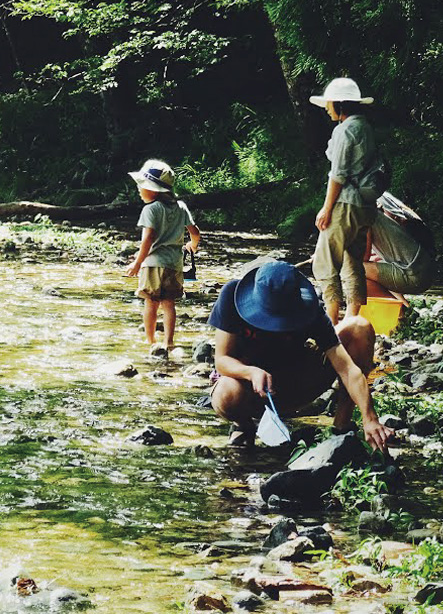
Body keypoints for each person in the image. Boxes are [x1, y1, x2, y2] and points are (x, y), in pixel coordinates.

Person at [207, 259, 393, 451]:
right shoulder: (232, 296)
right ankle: (244, 426)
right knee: (227, 392)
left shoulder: (309, 309)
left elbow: (346, 369)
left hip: (296, 383)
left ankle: (342, 426)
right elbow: (221, 360)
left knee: (358, 327)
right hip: (252, 390)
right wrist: (250, 372)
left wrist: (369, 418)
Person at [310, 77, 383, 324]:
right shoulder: (366, 128)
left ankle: (330, 321)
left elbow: (338, 174)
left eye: (330, 103)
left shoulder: (345, 130)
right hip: (365, 206)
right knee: (353, 262)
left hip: (345, 204)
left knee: (325, 261)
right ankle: (352, 320)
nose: (327, 107)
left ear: (340, 105)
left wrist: (326, 208)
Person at [125, 159, 202, 356]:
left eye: (142, 186)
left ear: (155, 190)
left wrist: (137, 262)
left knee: (150, 303)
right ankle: (169, 342)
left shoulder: (150, 210)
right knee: (169, 304)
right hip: (174, 265)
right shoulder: (181, 207)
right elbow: (195, 232)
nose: (139, 190)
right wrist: (192, 245)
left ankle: (150, 341)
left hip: (153, 264)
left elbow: (148, 240)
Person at [365, 192, 437, 296]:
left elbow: (362, 257)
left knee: (353, 269)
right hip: (422, 261)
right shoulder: (383, 197)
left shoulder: (369, 204)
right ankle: (401, 305)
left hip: (413, 267)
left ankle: (396, 308)